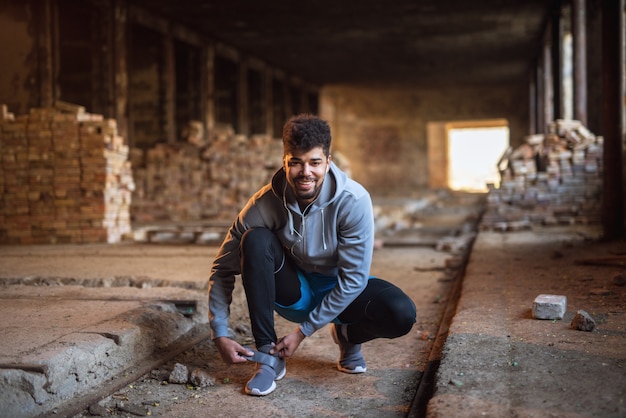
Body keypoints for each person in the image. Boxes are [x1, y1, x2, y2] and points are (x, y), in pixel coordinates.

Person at [208, 113, 416, 396]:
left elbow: (354, 280)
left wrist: (302, 332)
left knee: (401, 313)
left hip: (343, 293)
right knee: (255, 240)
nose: (305, 172)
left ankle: (347, 335)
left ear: (328, 162)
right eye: (296, 162)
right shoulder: (263, 204)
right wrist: (220, 333)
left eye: (315, 162)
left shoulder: (353, 201)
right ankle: (268, 357)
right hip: (294, 291)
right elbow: (222, 268)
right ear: (285, 161)